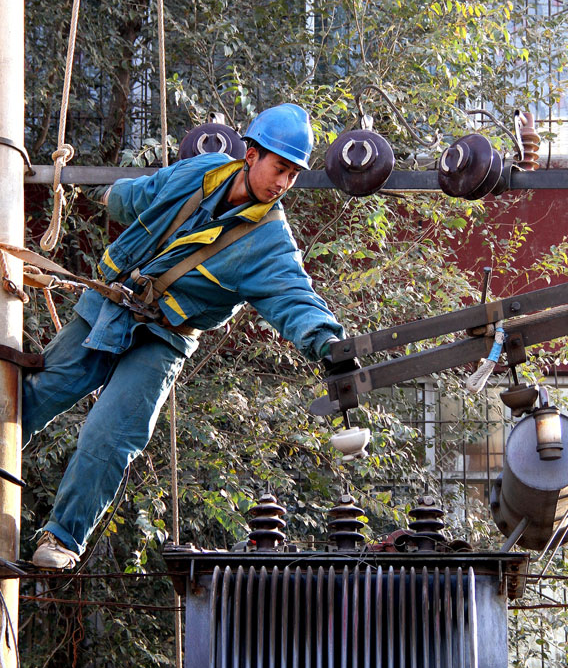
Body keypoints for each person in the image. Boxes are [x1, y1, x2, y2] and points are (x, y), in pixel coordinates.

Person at [23, 103, 349, 570]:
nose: (283, 184)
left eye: (294, 175)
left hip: (163, 338)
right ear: (250, 154)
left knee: (110, 434)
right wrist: (108, 195)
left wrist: (327, 343)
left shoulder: (270, 241)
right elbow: (144, 194)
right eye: (280, 168)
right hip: (110, 307)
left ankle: (61, 538)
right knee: (37, 393)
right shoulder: (202, 171)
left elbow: (294, 297)